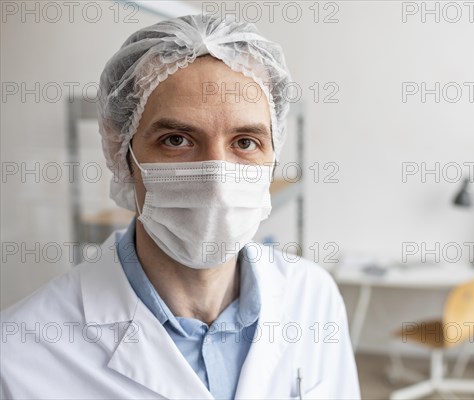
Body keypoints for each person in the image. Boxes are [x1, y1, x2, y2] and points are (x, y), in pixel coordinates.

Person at [0, 13, 360, 399]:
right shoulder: (20, 355)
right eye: (176, 140)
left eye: (244, 142)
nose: (217, 180)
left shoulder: (314, 298)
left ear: (274, 154)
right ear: (123, 155)